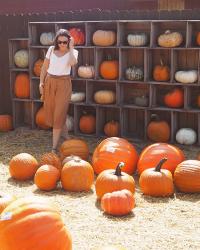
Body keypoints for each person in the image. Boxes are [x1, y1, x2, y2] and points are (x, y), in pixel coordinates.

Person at [39, 29, 78, 153]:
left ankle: (54, 147)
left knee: (59, 112)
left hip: (64, 83)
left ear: (69, 42)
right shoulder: (51, 50)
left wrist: (71, 48)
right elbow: (44, 67)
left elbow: (72, 63)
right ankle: (66, 136)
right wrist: (41, 82)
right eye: (59, 42)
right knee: (52, 110)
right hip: (50, 81)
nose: (62, 44)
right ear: (56, 41)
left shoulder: (73, 52)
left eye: (65, 42)